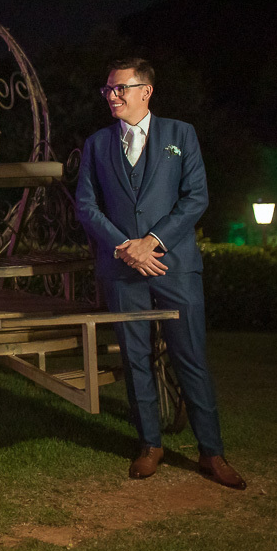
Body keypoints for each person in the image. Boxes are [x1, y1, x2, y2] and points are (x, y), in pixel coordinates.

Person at [75, 58, 246, 490]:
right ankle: (150, 445)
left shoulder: (180, 134)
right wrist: (125, 248)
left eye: (120, 89)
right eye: (108, 90)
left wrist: (150, 242)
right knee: (135, 359)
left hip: (174, 264)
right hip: (122, 268)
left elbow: (195, 198)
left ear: (145, 91)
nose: (112, 96)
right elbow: (86, 206)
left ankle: (212, 452)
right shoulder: (97, 144)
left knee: (191, 357)